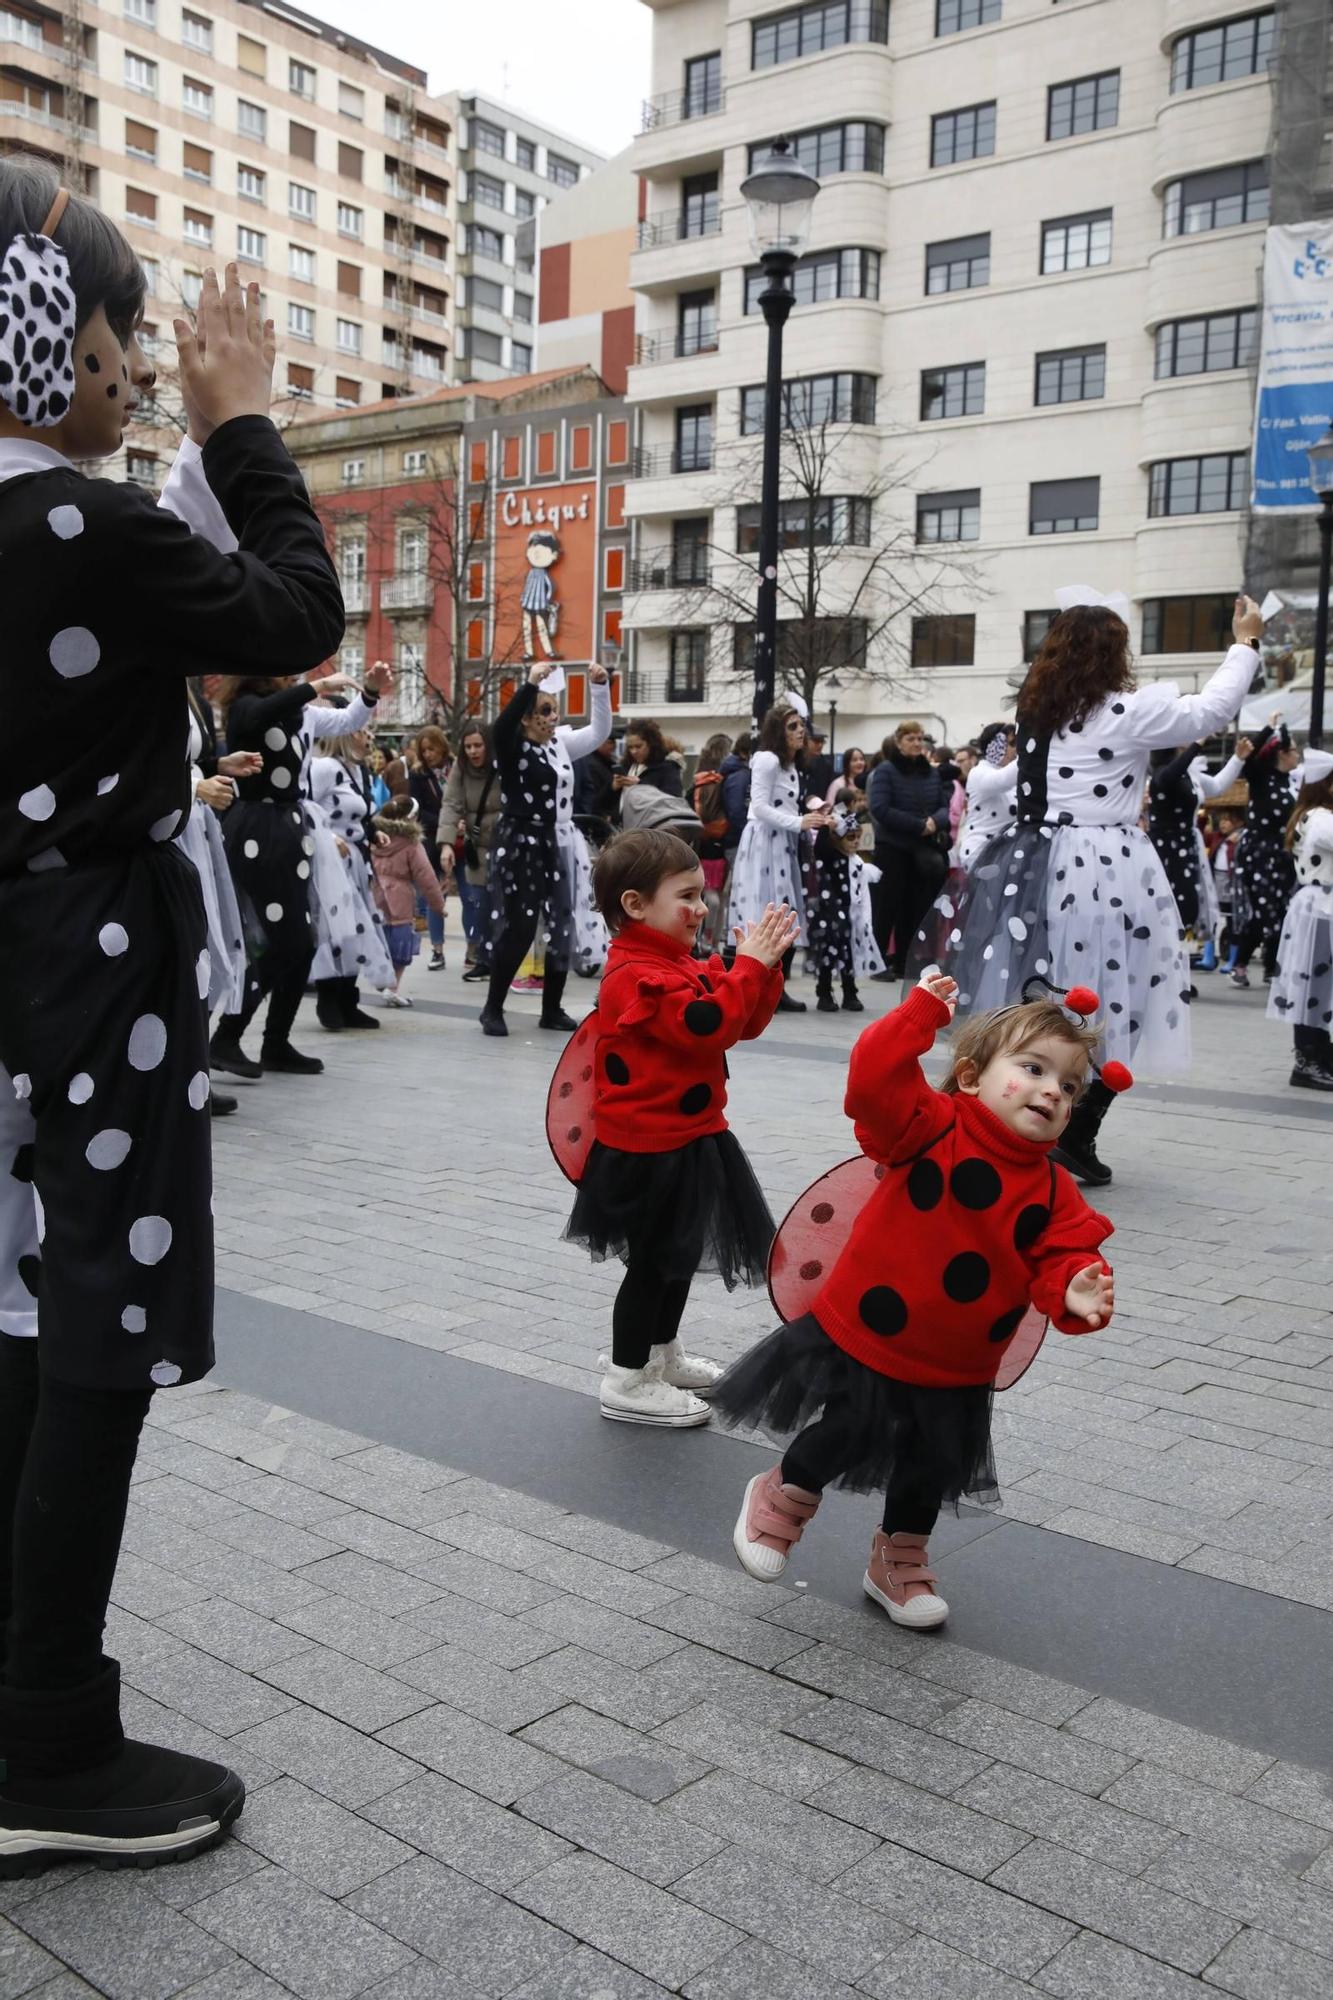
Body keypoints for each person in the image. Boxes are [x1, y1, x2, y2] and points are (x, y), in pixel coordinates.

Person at [0, 164, 343, 1870]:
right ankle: (45, 1739)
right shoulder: (77, 525)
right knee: (97, 1336)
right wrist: (247, 428)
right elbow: (295, 616)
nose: (142, 362)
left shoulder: (46, 530)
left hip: (15, 964)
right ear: (39, 325)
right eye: (122, 326)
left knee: (15, 1319)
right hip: (93, 978)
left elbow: (157, 612)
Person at [716, 975, 1115, 1625]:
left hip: (957, 1361)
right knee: (846, 1429)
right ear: (969, 1078)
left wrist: (1074, 1286)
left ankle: (896, 1562)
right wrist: (918, 1017)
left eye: (1068, 1086)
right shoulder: (928, 1127)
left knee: (929, 1464)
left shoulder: (1053, 1191)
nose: (1051, 1090)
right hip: (872, 1332)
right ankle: (780, 1496)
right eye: (1033, 1068)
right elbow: (872, 1081)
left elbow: (1064, 1254)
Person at [911, 592, 1262, 1186]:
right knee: (1109, 998)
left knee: (1039, 995)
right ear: (1113, 654)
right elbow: (1210, 710)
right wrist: (1245, 644)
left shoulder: (1036, 715)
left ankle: (1010, 1117)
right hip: (1105, 868)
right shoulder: (1126, 713)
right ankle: (1074, 1128)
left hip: (1033, 863)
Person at [563, 830, 796, 1426]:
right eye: (687, 896)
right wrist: (747, 967)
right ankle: (626, 1376)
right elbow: (707, 1026)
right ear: (636, 905)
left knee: (678, 1256)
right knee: (653, 1265)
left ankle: (659, 1355)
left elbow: (741, 1023)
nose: (702, 908)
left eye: (702, 894)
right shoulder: (635, 975)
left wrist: (764, 972)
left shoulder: (675, 962)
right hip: (647, 1151)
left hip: (690, 1139)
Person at [211, 663, 388, 1077]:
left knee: (304, 942)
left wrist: (371, 693)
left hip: (293, 830)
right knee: (281, 941)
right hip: (258, 830)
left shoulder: (300, 712)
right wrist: (314, 687)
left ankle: (275, 1042)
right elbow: (258, 716)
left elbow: (347, 719)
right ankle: (226, 1035)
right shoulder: (245, 708)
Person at [481, 663, 612, 1037]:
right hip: (522, 842)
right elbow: (500, 727)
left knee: (561, 923)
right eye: (544, 711)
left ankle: (551, 1009)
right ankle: (493, 1008)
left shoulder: (559, 744)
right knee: (520, 928)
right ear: (526, 718)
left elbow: (600, 731)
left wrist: (600, 687)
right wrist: (530, 683)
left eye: (554, 711)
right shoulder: (512, 747)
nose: (553, 718)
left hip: (558, 842)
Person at [728, 705, 831, 1013]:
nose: (801, 731)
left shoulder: (789, 765)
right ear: (778, 731)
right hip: (764, 844)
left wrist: (809, 810)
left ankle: (774, 987)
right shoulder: (768, 760)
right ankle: (755, 986)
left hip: (782, 844)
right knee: (766, 911)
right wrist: (799, 822)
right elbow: (758, 807)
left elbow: (784, 802)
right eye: (792, 726)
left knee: (784, 914)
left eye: (801, 725)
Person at [308, 723, 394, 1030]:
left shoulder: (359, 772)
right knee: (335, 930)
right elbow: (305, 807)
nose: (368, 736)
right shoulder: (324, 768)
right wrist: (328, 840)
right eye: (361, 730)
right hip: (331, 864)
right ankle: (329, 999)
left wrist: (373, 833)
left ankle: (348, 1000)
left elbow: (360, 815)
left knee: (357, 928)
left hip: (355, 862)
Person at [1267, 752, 1333, 1090]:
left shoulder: (1312, 814)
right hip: (1321, 906)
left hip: (1319, 905)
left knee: (1319, 986)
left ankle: (1319, 1054)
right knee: (1314, 987)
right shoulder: (1321, 818)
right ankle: (1309, 1059)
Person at [868, 721, 953, 977]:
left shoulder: (931, 772)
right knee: (886, 908)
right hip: (893, 849)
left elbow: (943, 806)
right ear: (899, 741)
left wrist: (934, 823)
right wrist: (918, 825)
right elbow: (880, 808)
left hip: (921, 850)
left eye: (919, 738)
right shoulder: (885, 771)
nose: (917, 743)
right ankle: (878, 962)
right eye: (911, 739)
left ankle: (905, 962)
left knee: (915, 908)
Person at [1231, 724, 1300, 989]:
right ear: (1282, 753)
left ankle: (1272, 966)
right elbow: (1249, 756)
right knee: (1262, 909)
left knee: (1281, 908)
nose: (1298, 756)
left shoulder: (1290, 783)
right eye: (1294, 750)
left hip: (1283, 853)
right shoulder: (1262, 777)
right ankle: (1240, 963)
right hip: (1259, 852)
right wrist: (1269, 728)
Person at [808, 790, 883, 1012]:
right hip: (830, 915)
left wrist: (864, 918)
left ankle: (850, 991)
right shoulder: (832, 858)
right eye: (850, 837)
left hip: (851, 915)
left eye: (857, 837)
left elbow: (863, 893)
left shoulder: (857, 861)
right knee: (829, 954)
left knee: (849, 954)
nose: (855, 842)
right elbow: (820, 849)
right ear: (838, 839)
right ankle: (824, 991)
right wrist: (825, 827)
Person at [371, 796, 444, 1006]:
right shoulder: (411, 844)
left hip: (375, 895)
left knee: (380, 941)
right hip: (400, 898)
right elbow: (426, 877)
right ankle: (392, 988)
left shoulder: (374, 837)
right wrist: (438, 905)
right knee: (401, 945)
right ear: (412, 818)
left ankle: (381, 979)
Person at [442, 721, 500, 980]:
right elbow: (451, 803)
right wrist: (446, 844)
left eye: (478, 745)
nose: (473, 751)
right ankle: (482, 957)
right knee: (480, 905)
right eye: (468, 746)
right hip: (478, 847)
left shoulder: (502, 764)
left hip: (505, 845)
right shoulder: (460, 768)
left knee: (504, 906)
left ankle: (500, 957)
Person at [410, 726, 452, 972]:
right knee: (437, 897)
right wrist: (445, 822)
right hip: (433, 839)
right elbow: (418, 808)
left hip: (461, 838)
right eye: (423, 750)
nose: (428, 754)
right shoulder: (418, 774)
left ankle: (474, 949)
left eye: (432, 748)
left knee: (470, 895)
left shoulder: (457, 767)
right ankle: (437, 949)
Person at [692, 732, 733, 950]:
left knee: (707, 897)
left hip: (702, 846)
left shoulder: (699, 779)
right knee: (718, 900)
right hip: (719, 848)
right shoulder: (722, 779)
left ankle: (702, 939)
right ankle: (712, 941)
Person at [958, 723, 1017, 869]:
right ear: (994, 746)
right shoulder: (979, 772)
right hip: (981, 852)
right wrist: (1032, 753)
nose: (1017, 748)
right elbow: (1001, 780)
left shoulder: (1014, 775)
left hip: (1008, 852)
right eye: (1011, 743)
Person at [615, 719, 683, 799]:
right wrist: (613, 787)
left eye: (638, 746)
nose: (634, 751)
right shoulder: (626, 766)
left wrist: (640, 785)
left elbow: (673, 799)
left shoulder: (668, 767)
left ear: (651, 744)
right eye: (630, 747)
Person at [572, 734, 618, 847]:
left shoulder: (606, 762)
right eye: (609, 743)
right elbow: (590, 794)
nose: (612, 747)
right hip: (594, 821)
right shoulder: (590, 763)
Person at [801, 725, 834, 801]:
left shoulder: (826, 766)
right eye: (816, 741)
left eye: (822, 741)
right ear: (804, 741)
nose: (820, 745)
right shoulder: (795, 763)